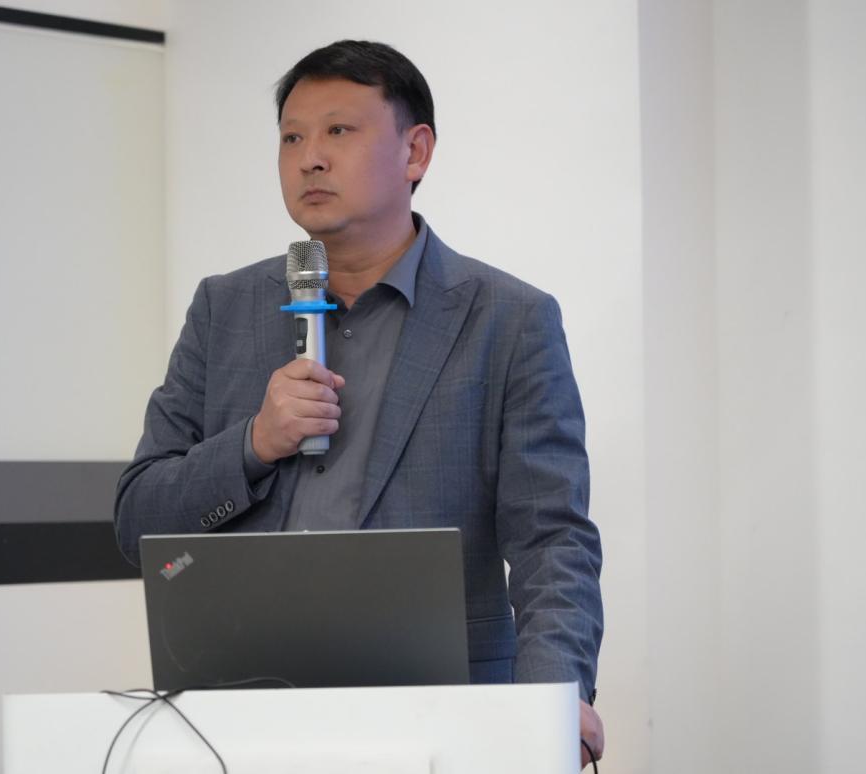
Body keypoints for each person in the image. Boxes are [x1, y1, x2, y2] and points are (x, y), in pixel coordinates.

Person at [114, 39, 605, 767]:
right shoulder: (224, 309)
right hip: (240, 720)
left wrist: (548, 700)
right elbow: (139, 526)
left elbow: (551, 541)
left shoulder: (508, 319)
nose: (310, 158)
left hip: (445, 718)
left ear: (415, 152)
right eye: (291, 138)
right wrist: (253, 445)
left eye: (338, 131)